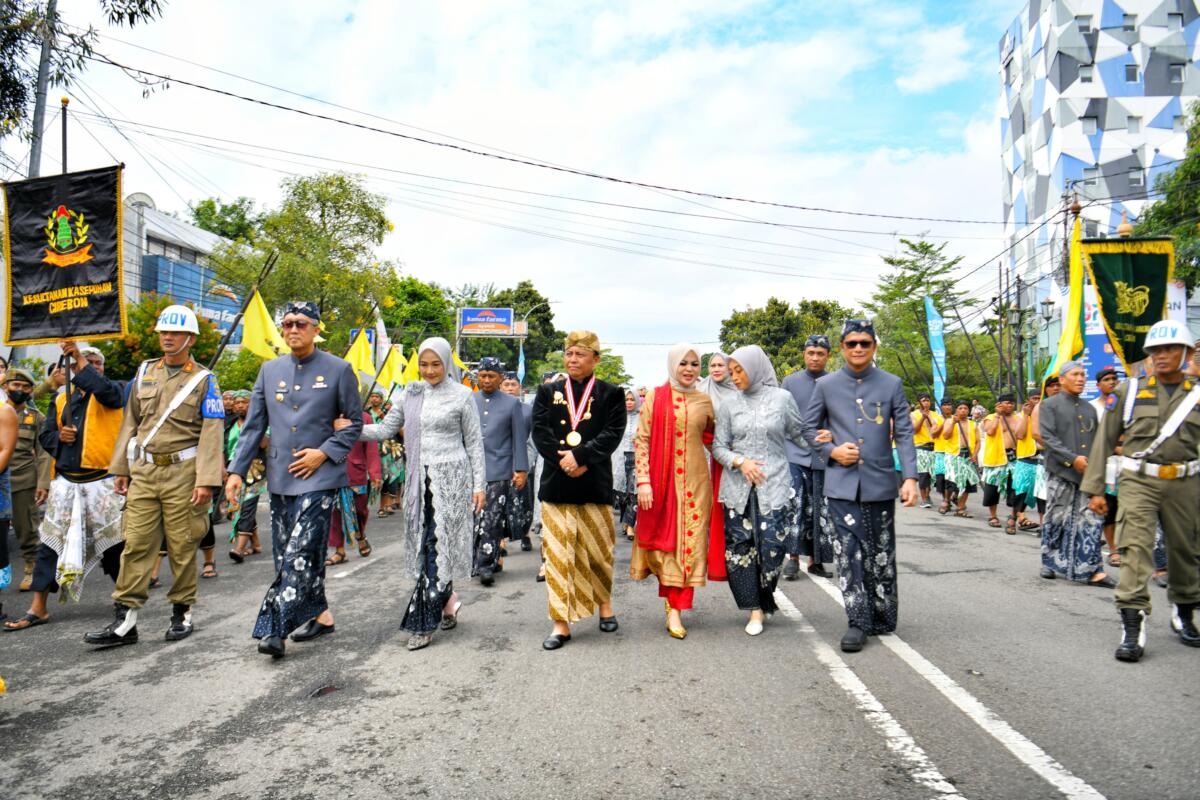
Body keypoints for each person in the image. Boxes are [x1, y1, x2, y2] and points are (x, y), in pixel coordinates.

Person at [225, 301, 363, 659]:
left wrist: (324, 452)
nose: (293, 330)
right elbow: (254, 427)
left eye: (301, 323)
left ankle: (276, 628)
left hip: (321, 476)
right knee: (289, 551)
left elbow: (355, 424)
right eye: (287, 324)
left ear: (316, 329)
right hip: (281, 476)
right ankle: (322, 615)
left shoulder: (339, 369)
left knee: (299, 551)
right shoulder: (269, 371)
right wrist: (236, 471)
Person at [83, 306, 226, 647]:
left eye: (175, 333)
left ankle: (182, 611)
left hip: (184, 473)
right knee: (135, 544)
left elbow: (211, 432)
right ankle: (125, 621)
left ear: (190, 339)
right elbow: (130, 423)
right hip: (145, 471)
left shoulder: (205, 380)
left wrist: (206, 481)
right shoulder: (145, 372)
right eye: (163, 332)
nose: (167, 337)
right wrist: (121, 468)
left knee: (181, 545)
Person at [353, 338, 483, 650]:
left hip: (452, 480)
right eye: (424, 365)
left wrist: (479, 485)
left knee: (438, 544)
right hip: (416, 482)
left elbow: (474, 442)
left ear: (446, 363)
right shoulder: (410, 393)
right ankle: (447, 599)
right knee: (428, 545)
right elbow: (385, 430)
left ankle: (423, 622)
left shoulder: (462, 395)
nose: (429, 370)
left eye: (435, 364)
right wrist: (347, 430)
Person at [1083, 320, 1200, 661]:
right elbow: (1104, 440)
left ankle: (1184, 611)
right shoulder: (1128, 391)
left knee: (1186, 550)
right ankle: (1132, 624)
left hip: (1186, 481)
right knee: (1134, 547)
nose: (1161, 355)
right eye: (1155, 350)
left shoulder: (1196, 394)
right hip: (1139, 480)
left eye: (1169, 349)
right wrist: (1095, 489)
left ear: (1186, 354)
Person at [802, 320, 919, 653]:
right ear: (842, 347)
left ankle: (882, 615)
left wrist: (910, 478)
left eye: (864, 343)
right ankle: (857, 621)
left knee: (881, 552)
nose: (858, 348)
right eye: (851, 343)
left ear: (874, 347)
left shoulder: (891, 384)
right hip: (841, 484)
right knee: (848, 553)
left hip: (879, 482)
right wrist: (832, 451)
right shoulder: (826, 385)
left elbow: (904, 433)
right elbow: (806, 429)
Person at [5, 343, 126, 632]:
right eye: (85, 363)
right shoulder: (61, 399)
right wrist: (61, 437)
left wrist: (79, 357)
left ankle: (125, 603)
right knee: (49, 545)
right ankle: (38, 608)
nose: (92, 367)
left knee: (113, 547)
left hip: (102, 483)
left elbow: (104, 390)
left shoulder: (115, 391)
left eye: (96, 363)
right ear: (70, 371)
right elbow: (45, 437)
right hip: (66, 484)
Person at [531, 331, 626, 650]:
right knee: (558, 557)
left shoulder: (611, 393)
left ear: (595, 359)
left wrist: (582, 457)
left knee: (599, 552)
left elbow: (613, 433)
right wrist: (566, 462)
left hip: (594, 483)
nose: (572, 360)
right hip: (556, 485)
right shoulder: (548, 391)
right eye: (569, 354)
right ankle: (561, 623)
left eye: (580, 354)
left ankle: (605, 605)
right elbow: (540, 432)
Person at [712, 345, 806, 636]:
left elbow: (800, 434)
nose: (734, 376)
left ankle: (765, 597)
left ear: (755, 367)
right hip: (737, 489)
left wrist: (830, 447)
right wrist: (740, 462)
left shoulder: (782, 399)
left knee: (773, 546)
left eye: (739, 370)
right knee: (740, 548)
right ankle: (754, 609)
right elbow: (718, 447)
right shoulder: (728, 403)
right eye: (731, 371)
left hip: (774, 485)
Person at [631, 344, 715, 639]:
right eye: (683, 363)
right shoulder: (656, 397)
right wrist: (644, 480)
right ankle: (672, 603)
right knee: (666, 546)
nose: (689, 369)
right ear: (672, 365)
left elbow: (716, 441)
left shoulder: (705, 401)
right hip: (661, 485)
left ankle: (677, 608)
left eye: (694, 364)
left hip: (696, 485)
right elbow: (642, 440)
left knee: (690, 545)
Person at [1035, 362, 1111, 587]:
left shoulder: (1089, 408)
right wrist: (1072, 459)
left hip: (1087, 474)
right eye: (1075, 374)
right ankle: (1049, 562)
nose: (1081, 379)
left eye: (1083, 375)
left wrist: (1096, 468)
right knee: (1056, 518)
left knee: (1090, 521)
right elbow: (1048, 438)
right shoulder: (1049, 405)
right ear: (1062, 379)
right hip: (1060, 472)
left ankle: (1091, 569)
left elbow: (1096, 441)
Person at [471, 357, 528, 586]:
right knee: (474, 517)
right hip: (471, 469)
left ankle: (486, 565)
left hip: (500, 469)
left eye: (491, 376)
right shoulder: (468, 400)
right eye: (483, 376)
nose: (486, 380)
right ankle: (479, 560)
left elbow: (519, 438)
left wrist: (521, 469)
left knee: (492, 519)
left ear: (500, 378)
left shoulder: (511, 404)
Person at [781, 334, 833, 579]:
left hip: (824, 454)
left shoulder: (835, 382)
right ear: (804, 354)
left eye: (820, 354)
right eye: (811, 353)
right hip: (794, 452)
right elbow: (781, 417)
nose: (815, 358)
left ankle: (816, 560)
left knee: (820, 509)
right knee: (795, 505)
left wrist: (832, 434)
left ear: (828, 356)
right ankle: (792, 558)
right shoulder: (790, 382)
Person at [2, 369, 51, 592]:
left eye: (25, 387)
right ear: (5, 387)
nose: (19, 390)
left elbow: (43, 453)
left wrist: (43, 483)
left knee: (26, 528)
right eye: (15, 385)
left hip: (22, 480)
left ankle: (32, 568)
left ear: (31, 390)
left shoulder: (36, 418)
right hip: (0, 479)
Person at [327, 410, 381, 565]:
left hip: (356, 472)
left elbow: (371, 447)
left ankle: (361, 535)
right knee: (335, 511)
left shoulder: (365, 417)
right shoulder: (327, 414)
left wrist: (375, 472)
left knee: (360, 510)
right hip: (332, 470)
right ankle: (339, 551)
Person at [226, 390, 267, 561]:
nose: (240, 406)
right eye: (237, 403)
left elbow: (264, 444)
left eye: (244, 402)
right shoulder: (229, 425)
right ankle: (256, 544)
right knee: (236, 506)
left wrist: (256, 427)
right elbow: (224, 448)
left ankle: (239, 548)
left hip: (255, 470)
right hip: (233, 471)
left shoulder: (262, 422)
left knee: (248, 506)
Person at [979, 393, 1026, 532]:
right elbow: (990, 431)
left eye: (1012, 403)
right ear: (999, 404)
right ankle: (993, 516)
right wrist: (998, 416)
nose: (1009, 405)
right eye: (1006, 403)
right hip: (996, 458)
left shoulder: (1018, 418)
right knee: (992, 489)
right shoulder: (990, 418)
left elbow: (1022, 435)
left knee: (1016, 489)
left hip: (1014, 458)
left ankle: (1013, 517)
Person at [1089, 366, 1122, 565]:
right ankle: (1113, 549)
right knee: (1108, 508)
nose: (1112, 382)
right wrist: (1116, 448)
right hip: (1105, 464)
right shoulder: (1092, 408)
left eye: (1114, 379)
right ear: (1098, 385)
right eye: (1107, 379)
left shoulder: (1126, 403)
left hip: (1128, 465)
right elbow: (1093, 438)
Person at [501, 372, 535, 550]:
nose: (510, 388)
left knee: (525, 501)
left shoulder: (528, 410)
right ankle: (500, 540)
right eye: (506, 385)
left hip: (524, 461)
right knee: (501, 501)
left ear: (519, 387)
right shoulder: (495, 409)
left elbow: (532, 440)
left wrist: (526, 465)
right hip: (500, 461)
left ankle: (525, 533)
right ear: (501, 387)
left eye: (513, 385)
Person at [943, 400, 980, 516]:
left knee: (968, 483)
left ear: (969, 411)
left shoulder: (973, 424)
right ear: (956, 410)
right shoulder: (949, 421)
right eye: (960, 408)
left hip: (968, 457)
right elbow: (945, 436)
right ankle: (946, 501)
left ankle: (960, 508)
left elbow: (978, 441)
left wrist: (975, 455)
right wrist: (953, 423)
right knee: (951, 481)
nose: (963, 410)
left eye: (965, 408)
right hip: (953, 456)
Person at [612, 389, 640, 541]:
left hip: (636, 458)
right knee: (622, 493)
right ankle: (625, 520)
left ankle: (630, 525)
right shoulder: (617, 416)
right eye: (626, 399)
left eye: (632, 399)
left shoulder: (643, 418)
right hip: (619, 457)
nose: (629, 402)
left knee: (634, 492)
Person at [910, 393, 942, 509]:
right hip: (920, 447)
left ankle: (928, 495)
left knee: (933, 475)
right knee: (923, 474)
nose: (926, 403)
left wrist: (930, 419)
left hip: (934, 447)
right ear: (919, 402)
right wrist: (923, 417)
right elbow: (914, 430)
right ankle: (924, 499)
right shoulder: (913, 414)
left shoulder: (935, 415)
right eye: (923, 400)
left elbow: (937, 429)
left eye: (928, 400)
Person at [933, 398, 958, 514]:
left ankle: (953, 497)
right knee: (942, 478)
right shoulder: (937, 419)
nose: (948, 407)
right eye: (945, 405)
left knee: (954, 478)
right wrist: (943, 423)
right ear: (941, 407)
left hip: (954, 453)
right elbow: (933, 434)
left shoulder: (956, 419)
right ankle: (946, 500)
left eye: (949, 404)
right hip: (940, 452)